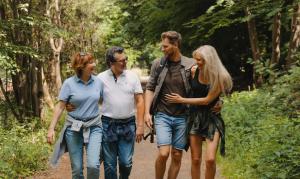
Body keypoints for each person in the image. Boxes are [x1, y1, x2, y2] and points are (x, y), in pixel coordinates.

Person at [165, 45, 233, 179]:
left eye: (200, 60)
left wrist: (181, 100)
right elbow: (187, 89)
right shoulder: (194, 70)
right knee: (195, 160)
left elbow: (207, 100)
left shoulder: (220, 76)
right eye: (196, 59)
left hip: (212, 118)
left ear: (210, 60)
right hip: (194, 117)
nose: (197, 62)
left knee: (210, 159)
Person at [144, 31, 194, 179]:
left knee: (177, 154)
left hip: (183, 116)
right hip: (162, 115)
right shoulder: (158, 64)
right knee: (164, 153)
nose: (162, 49)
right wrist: (147, 112)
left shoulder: (191, 64)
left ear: (176, 44)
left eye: (165, 46)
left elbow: (201, 87)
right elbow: (150, 88)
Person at [47, 52, 103, 179]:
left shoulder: (98, 82)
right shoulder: (69, 83)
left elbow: (105, 101)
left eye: (93, 61)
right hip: (73, 127)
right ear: (81, 66)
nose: (93, 64)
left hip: (94, 126)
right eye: (90, 63)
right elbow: (60, 106)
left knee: (94, 165)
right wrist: (51, 129)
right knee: (77, 169)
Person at [98, 46, 144, 179]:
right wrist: (72, 104)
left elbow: (140, 101)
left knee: (126, 163)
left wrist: (140, 126)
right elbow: (91, 98)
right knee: (110, 165)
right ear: (111, 62)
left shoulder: (132, 76)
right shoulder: (101, 78)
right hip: (108, 124)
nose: (125, 62)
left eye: (126, 59)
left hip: (128, 124)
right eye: (121, 60)